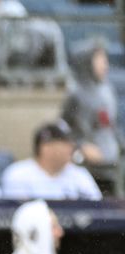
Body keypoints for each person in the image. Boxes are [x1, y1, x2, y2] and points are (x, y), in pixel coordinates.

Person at [61, 40, 123, 196]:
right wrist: (80, 146)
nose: (105, 64)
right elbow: (63, 127)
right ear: (86, 61)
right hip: (87, 164)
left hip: (111, 159)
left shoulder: (107, 89)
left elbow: (110, 125)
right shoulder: (76, 93)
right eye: (100, 59)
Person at [0, 120, 103, 200]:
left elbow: (97, 209)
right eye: (64, 143)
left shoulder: (80, 175)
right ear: (46, 147)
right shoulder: (18, 174)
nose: (71, 147)